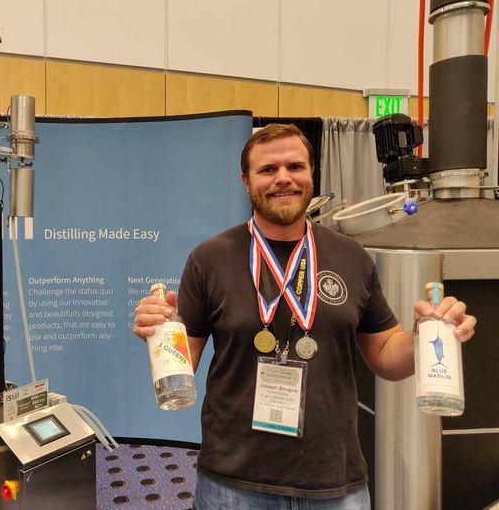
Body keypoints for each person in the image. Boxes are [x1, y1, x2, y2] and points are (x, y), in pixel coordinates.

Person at [132, 123, 477, 509]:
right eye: (268, 169)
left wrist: (424, 336)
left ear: (311, 173)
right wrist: (159, 330)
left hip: (334, 482)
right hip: (233, 482)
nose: (283, 178)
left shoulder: (351, 256)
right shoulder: (209, 259)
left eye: (295, 166)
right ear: (246, 181)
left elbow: (385, 356)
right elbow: (187, 362)